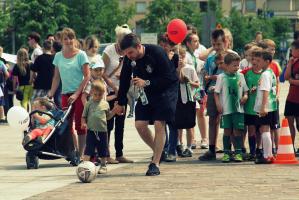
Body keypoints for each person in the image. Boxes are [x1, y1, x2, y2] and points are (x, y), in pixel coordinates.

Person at [113, 33, 178, 176]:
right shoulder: (129, 59)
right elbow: (124, 80)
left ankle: (155, 163)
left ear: (138, 46)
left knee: (158, 123)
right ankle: (159, 152)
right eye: (126, 54)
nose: (129, 56)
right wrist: (120, 102)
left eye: (130, 52)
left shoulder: (156, 52)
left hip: (165, 91)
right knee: (140, 125)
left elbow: (169, 78)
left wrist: (147, 82)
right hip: (146, 93)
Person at [48, 27, 91, 159]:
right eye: (65, 38)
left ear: (75, 39)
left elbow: (87, 76)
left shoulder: (81, 55)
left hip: (79, 94)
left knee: (80, 124)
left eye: (71, 37)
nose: (68, 41)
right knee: (66, 124)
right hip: (65, 94)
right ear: (61, 41)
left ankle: (82, 153)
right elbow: (56, 77)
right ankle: (74, 151)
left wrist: (77, 94)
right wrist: (50, 93)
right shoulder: (58, 56)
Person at [102, 24, 133, 164]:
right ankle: (106, 154)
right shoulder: (109, 50)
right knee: (109, 124)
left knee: (121, 124)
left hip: (122, 92)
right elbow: (100, 72)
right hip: (110, 92)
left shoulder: (128, 52)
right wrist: (114, 86)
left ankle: (119, 153)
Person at [214, 53, 249, 162]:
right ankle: (227, 153)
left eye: (238, 65)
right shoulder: (221, 77)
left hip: (238, 109)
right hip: (226, 110)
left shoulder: (240, 76)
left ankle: (238, 153)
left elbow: (245, 90)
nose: (237, 67)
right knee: (227, 131)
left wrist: (245, 96)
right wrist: (218, 104)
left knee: (238, 131)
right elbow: (216, 93)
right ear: (226, 65)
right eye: (234, 65)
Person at [81, 80, 116, 174]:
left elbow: (108, 116)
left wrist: (114, 111)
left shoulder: (105, 104)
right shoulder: (88, 104)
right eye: (95, 94)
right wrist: (83, 123)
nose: (97, 97)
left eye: (100, 94)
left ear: (103, 93)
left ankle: (103, 165)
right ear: (91, 92)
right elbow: (84, 116)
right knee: (88, 149)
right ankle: (85, 166)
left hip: (102, 131)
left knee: (103, 149)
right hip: (91, 131)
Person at [183, 32, 208, 150]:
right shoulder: (185, 55)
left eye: (198, 41)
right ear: (188, 43)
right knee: (190, 113)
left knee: (201, 113)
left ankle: (204, 138)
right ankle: (192, 139)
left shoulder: (199, 53)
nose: (197, 43)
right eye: (194, 41)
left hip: (200, 87)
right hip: (189, 88)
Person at [254, 50, 277, 164]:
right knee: (266, 129)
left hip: (266, 106)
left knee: (264, 129)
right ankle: (269, 154)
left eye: (259, 60)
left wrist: (263, 107)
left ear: (267, 61)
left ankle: (267, 155)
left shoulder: (264, 74)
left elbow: (265, 90)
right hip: (272, 106)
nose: (257, 63)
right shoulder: (271, 72)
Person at [176, 46, 199, 158]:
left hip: (189, 99)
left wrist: (189, 82)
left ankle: (189, 147)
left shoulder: (190, 68)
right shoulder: (173, 68)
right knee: (178, 124)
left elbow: (197, 84)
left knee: (189, 124)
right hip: (177, 99)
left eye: (182, 56)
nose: (180, 58)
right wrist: (178, 70)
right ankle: (179, 144)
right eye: (178, 56)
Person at [241, 49, 263, 160]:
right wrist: (246, 92)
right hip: (249, 107)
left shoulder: (265, 73)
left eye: (258, 60)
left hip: (261, 108)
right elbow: (241, 85)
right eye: (253, 59)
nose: (255, 62)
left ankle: (259, 149)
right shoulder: (246, 73)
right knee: (251, 129)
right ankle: (252, 151)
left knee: (260, 130)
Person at [284, 40, 299, 149]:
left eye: (292, 50)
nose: (291, 52)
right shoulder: (292, 61)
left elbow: (290, 80)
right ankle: (291, 147)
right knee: (289, 122)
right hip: (291, 98)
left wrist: (292, 81)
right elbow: (286, 77)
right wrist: (289, 63)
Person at [0, 58, 8, 123]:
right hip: (0, 85)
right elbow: (7, 74)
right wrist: (4, 81)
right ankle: (2, 117)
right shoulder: (1, 63)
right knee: (1, 101)